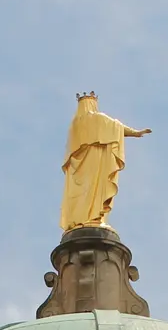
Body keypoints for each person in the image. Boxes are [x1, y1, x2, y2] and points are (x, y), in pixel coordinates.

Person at [60, 93, 151, 232]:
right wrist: (136, 133)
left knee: (85, 193)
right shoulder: (96, 118)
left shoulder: (74, 126)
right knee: (94, 188)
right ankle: (93, 217)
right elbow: (117, 126)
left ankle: (84, 218)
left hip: (80, 172)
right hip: (96, 164)